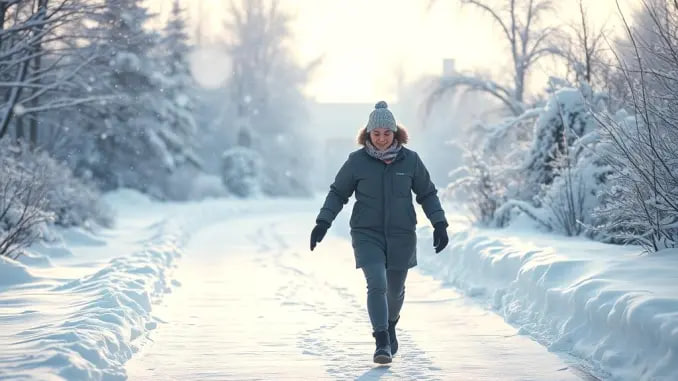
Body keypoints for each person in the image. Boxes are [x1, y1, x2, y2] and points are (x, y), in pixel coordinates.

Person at [310, 101, 449, 364]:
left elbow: (427, 193)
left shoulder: (411, 160)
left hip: (401, 234)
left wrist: (439, 223)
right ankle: (381, 341)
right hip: (366, 234)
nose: (382, 139)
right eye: (377, 134)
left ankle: (391, 323)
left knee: (395, 291)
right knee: (377, 282)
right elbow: (338, 193)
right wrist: (323, 222)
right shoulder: (356, 162)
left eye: (387, 133)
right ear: (368, 134)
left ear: (395, 133)